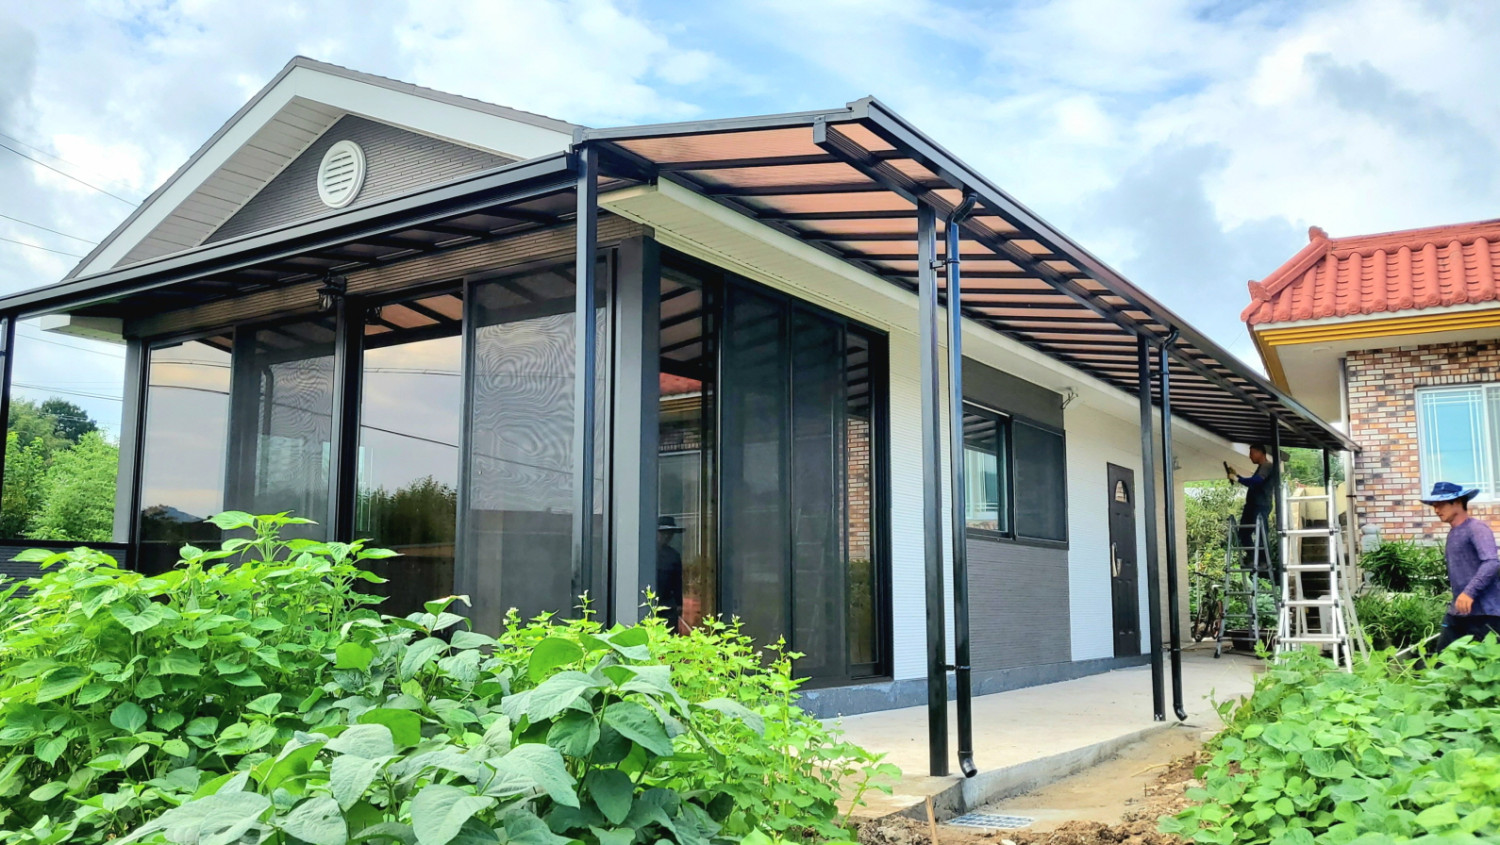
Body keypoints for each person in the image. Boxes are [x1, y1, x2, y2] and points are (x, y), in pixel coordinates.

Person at [1422, 481, 1500, 649]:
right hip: (1459, 612)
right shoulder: (1453, 534)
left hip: (1485, 614)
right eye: (1434, 505)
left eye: (1441, 504)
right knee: (1443, 658)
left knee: (1484, 663)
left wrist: (1469, 593)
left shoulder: (1477, 528)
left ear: (1457, 502)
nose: (1436, 510)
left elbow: (1491, 562)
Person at [1225, 444, 1279, 574]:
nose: (1250, 457)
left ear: (1261, 453)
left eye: (1252, 453)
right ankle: (1254, 557)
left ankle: (1263, 561)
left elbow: (1256, 481)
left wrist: (1237, 479)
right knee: (1243, 533)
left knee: (1261, 533)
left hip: (1261, 505)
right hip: (1252, 505)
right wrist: (1237, 476)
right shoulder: (1262, 467)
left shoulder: (1267, 466)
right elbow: (1252, 482)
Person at [655, 516, 685, 631]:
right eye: (663, 533)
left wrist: (679, 604)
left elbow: (677, 582)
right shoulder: (646, 552)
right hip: (647, 603)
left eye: (670, 533)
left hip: (667, 606)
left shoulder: (673, 556)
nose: (667, 536)